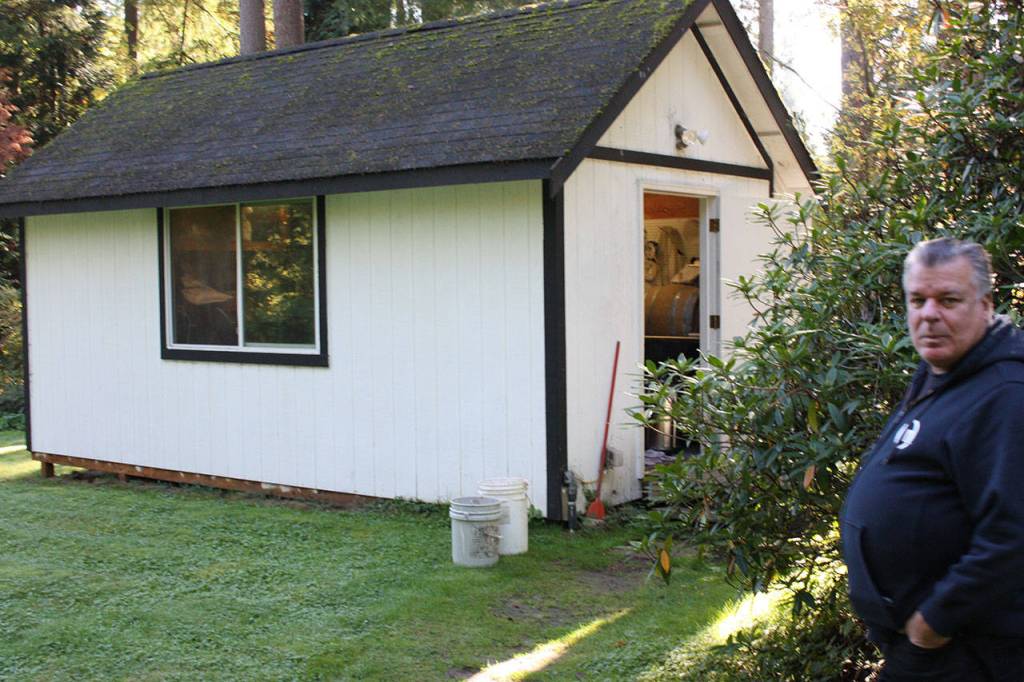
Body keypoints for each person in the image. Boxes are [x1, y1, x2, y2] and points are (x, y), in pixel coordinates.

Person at [841, 238, 1024, 681]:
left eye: (948, 300)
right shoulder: (941, 373)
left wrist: (933, 623)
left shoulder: (1004, 395)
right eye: (917, 300)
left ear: (985, 304)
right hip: (927, 644)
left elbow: (1011, 534)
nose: (928, 314)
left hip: (965, 650)